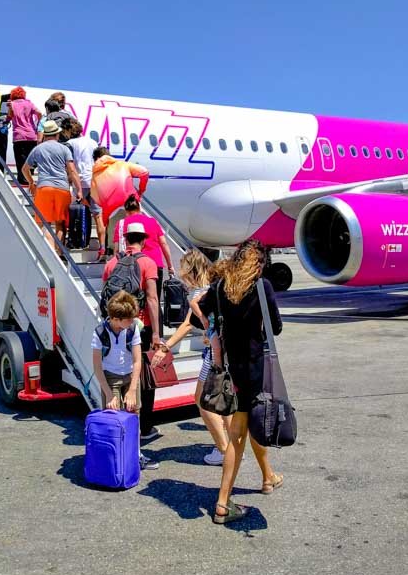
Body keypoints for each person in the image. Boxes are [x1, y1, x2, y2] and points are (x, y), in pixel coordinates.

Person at [198, 240, 284, 525]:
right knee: (238, 434)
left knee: (248, 423)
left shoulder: (221, 287)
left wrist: (213, 332)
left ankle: (268, 477)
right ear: (258, 264)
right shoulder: (262, 287)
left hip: (230, 370)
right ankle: (222, 503)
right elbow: (277, 328)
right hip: (256, 369)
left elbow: (199, 312)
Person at [152, 250, 230, 465]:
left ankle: (224, 451)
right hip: (224, 348)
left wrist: (166, 347)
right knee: (223, 399)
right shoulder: (215, 285)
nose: (180, 272)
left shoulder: (200, 292)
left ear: (191, 269)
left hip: (214, 352)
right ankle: (233, 446)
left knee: (203, 400)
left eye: (183, 267)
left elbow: (188, 324)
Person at [101, 222, 162, 442]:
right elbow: (153, 299)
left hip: (116, 328)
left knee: (120, 372)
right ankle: (144, 427)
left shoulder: (112, 263)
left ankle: (119, 426)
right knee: (144, 377)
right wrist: (156, 333)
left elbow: (107, 297)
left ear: (125, 239)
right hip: (139, 326)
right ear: (144, 240)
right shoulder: (148, 262)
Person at [90, 290, 158, 470]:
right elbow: (97, 366)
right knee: (113, 418)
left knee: (134, 415)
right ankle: (115, 459)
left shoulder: (133, 328)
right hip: (110, 377)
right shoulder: (99, 333)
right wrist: (108, 394)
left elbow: (137, 361)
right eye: (128, 319)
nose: (132, 321)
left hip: (130, 376)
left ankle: (136, 455)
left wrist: (132, 390)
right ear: (116, 318)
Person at [114, 194, 175, 329]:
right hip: (154, 265)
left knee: (132, 302)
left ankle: (136, 334)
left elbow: (117, 250)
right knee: (154, 301)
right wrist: (170, 266)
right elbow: (164, 244)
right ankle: (156, 335)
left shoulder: (121, 224)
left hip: (132, 266)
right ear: (139, 208)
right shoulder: (152, 221)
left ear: (126, 211)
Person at [22, 120, 83, 252]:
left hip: (44, 188)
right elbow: (72, 171)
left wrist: (31, 182)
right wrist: (79, 190)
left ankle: (50, 252)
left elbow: (24, 169)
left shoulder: (38, 149)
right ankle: (59, 253)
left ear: (45, 135)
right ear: (57, 135)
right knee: (60, 224)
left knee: (44, 223)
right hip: (62, 189)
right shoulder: (64, 149)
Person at [63, 118, 106, 258]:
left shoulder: (70, 144)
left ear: (68, 130)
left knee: (79, 213)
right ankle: (102, 248)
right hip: (94, 181)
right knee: (98, 216)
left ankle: (79, 241)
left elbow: (69, 165)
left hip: (80, 182)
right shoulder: (93, 142)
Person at [90, 147, 150, 225]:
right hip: (131, 201)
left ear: (96, 159)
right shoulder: (122, 164)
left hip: (110, 208)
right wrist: (141, 190)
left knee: (107, 224)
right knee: (139, 227)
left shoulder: (94, 175)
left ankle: (108, 232)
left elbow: (96, 199)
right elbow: (145, 172)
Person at [6, 86, 41, 185]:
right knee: (31, 157)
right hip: (31, 135)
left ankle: (22, 179)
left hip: (19, 136)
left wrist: (9, 110)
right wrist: (37, 124)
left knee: (20, 159)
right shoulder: (29, 103)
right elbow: (39, 113)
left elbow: (9, 117)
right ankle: (30, 175)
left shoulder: (11, 104)